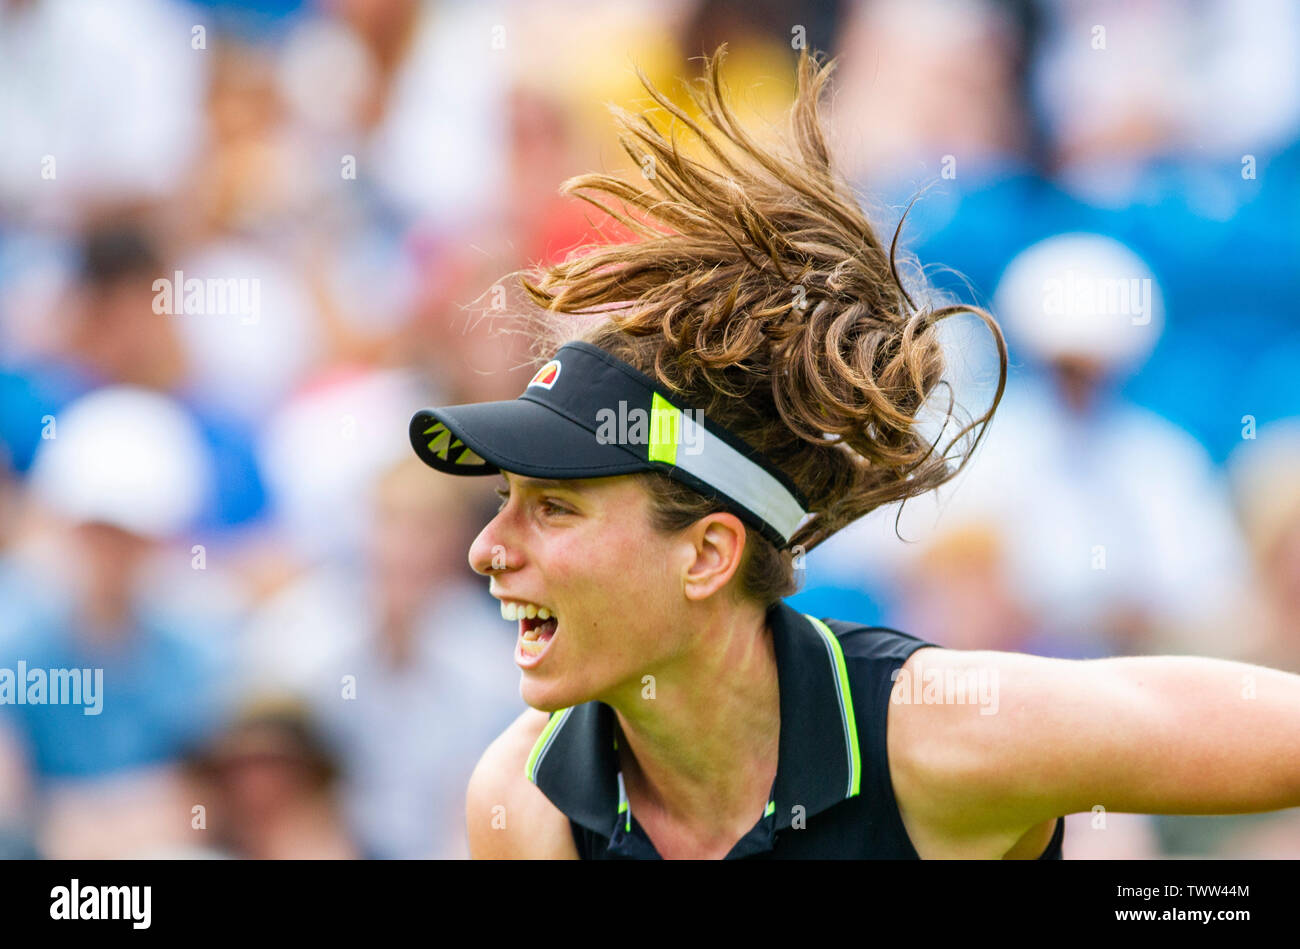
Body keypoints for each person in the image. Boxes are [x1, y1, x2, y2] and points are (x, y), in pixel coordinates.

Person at [407, 47, 1300, 859]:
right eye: (505, 499)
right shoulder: (523, 805)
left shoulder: (943, 737)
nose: (488, 549)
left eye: (554, 505)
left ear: (709, 553)